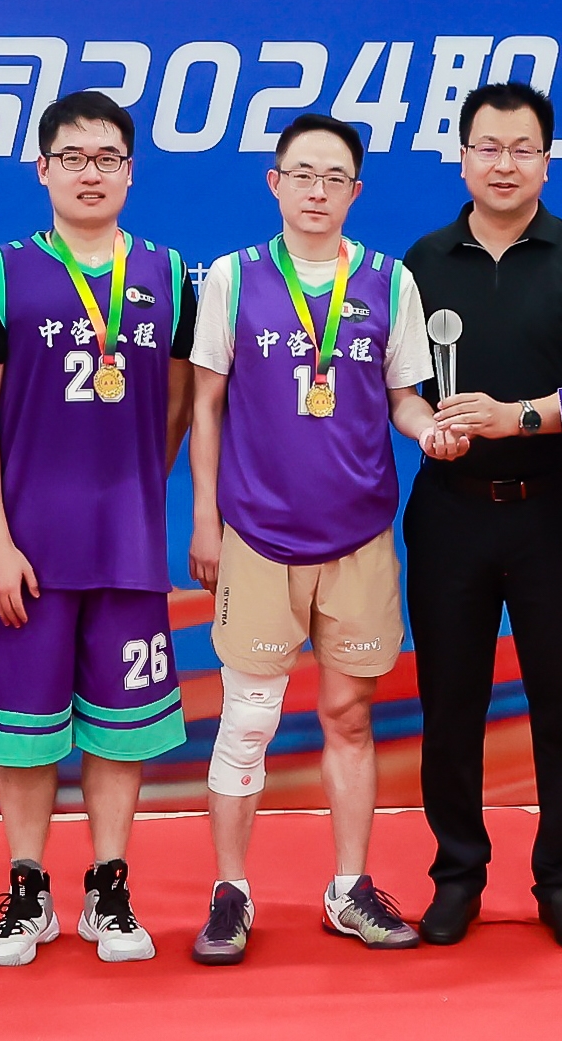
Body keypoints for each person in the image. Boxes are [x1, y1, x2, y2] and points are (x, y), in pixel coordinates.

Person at [182, 113, 451, 964]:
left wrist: (429, 429)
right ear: (274, 183)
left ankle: (348, 888)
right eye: (302, 174)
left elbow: (403, 396)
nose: (317, 191)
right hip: (258, 534)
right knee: (248, 720)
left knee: (350, 716)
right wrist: (205, 519)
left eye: (335, 177)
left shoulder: (390, 281)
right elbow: (205, 407)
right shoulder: (233, 278)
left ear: (355, 191)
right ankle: (230, 892)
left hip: (360, 536)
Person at [0, 92, 195, 965]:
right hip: (29, 550)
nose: (90, 174)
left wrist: (130, 494)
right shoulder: (0, 273)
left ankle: (109, 887)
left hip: (127, 545)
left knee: (121, 726)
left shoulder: (171, 274)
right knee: (23, 729)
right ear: (43, 169)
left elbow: (177, 407)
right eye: (73, 158)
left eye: (107, 159)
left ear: (130, 171)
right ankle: (27, 890)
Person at [402, 81, 562, 949]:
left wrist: (516, 417)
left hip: (556, 518)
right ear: (462, 158)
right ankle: (456, 876)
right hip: (451, 514)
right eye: (488, 147)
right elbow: (399, 387)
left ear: (547, 161)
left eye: (522, 148)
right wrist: (427, 428)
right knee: (449, 706)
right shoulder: (421, 261)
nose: (504, 164)